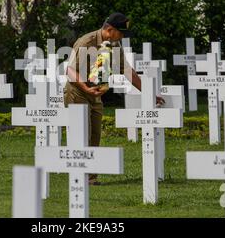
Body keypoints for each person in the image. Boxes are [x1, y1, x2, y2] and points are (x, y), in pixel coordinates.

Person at [65, 12, 164, 185]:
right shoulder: (85, 42)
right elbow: (70, 70)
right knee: (83, 134)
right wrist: (86, 87)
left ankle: (90, 177)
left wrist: (148, 93)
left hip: (95, 93)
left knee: (95, 134)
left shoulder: (115, 45)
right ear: (110, 30)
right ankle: (79, 176)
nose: (123, 36)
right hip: (77, 92)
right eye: (121, 32)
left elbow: (127, 70)